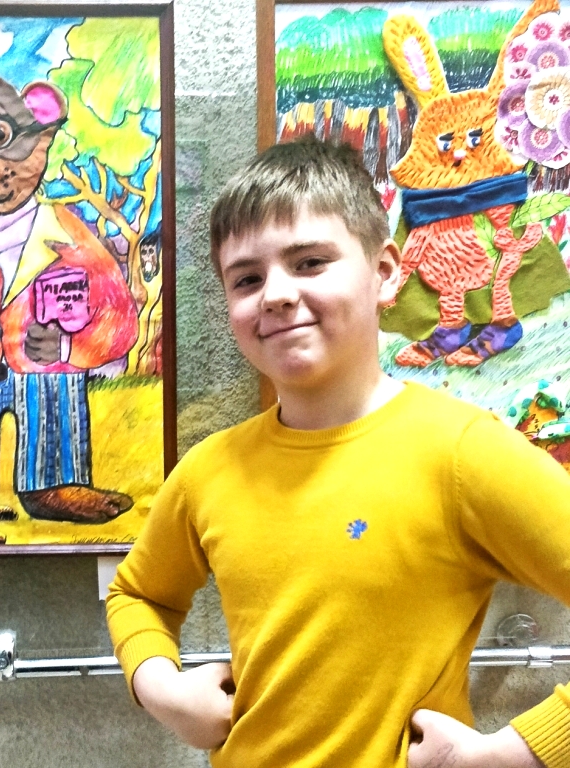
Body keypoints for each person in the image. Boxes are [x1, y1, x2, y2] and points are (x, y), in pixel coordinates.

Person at [105, 135, 570, 767]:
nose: (274, 294)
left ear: (385, 272)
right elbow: (136, 594)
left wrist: (515, 754)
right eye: (247, 278)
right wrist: (162, 688)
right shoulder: (208, 470)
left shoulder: (464, 452)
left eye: (309, 262)